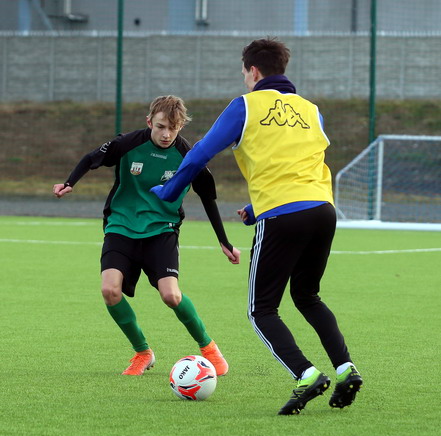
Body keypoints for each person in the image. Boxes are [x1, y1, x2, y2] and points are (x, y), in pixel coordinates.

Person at [151, 38, 363, 414]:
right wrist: (255, 206)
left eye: (244, 72)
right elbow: (299, 164)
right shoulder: (311, 110)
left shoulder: (245, 106)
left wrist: (169, 191)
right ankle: (346, 369)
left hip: (283, 215)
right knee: (308, 296)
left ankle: (307, 374)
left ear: (253, 71)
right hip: (323, 209)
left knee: (261, 309)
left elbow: (199, 154)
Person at [53, 95, 240, 377]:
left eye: (173, 129)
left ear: (180, 127)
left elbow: (207, 197)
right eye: (161, 126)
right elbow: (92, 158)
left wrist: (224, 241)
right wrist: (69, 182)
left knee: (171, 295)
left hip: (162, 229)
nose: (166, 134)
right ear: (149, 122)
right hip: (121, 226)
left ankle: (209, 347)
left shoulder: (189, 155)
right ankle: (142, 352)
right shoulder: (128, 143)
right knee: (110, 290)